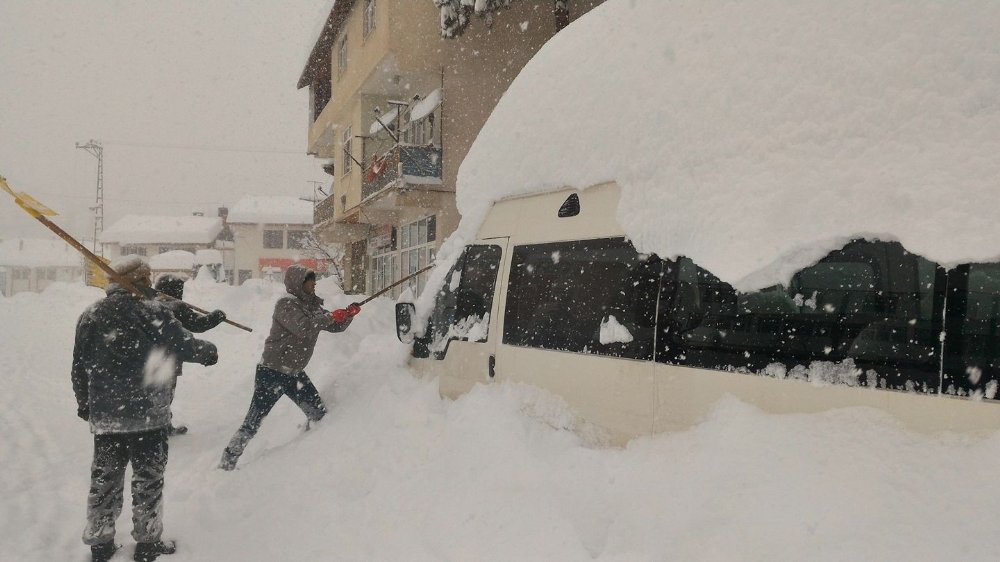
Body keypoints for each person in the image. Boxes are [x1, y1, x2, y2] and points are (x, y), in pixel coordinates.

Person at [72, 256, 219, 562]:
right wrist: (209, 352)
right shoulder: (152, 312)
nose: (151, 284)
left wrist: (85, 403)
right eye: (147, 278)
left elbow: (79, 366)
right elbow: (185, 345)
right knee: (148, 479)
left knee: (105, 479)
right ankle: (148, 543)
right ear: (137, 280)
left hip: (108, 418)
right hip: (148, 415)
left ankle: (101, 543)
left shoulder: (91, 315)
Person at [218, 264, 359, 471]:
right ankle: (227, 462)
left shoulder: (313, 307)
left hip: (294, 374)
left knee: (318, 414)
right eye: (310, 280)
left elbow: (334, 326)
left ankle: (308, 450)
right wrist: (331, 316)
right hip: (272, 372)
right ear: (299, 283)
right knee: (253, 421)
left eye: (314, 280)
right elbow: (304, 327)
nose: (314, 283)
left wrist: (348, 315)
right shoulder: (286, 304)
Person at [153, 274, 227, 435]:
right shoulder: (175, 307)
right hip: (168, 361)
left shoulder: (148, 304)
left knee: (152, 394)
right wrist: (216, 317)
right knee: (165, 395)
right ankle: (161, 427)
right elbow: (197, 323)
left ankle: (155, 426)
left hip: (148, 360)